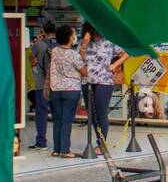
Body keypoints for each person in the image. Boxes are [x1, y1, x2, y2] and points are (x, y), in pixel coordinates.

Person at [79, 23, 126, 146]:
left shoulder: (109, 41)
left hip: (104, 81)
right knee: (92, 114)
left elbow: (126, 53)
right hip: (87, 81)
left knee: (101, 112)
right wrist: (83, 45)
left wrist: (114, 65)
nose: (96, 35)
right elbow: (79, 60)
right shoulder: (84, 42)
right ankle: (99, 140)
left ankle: (102, 143)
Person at [48, 24, 87, 158]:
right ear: (70, 38)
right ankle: (65, 150)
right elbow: (84, 71)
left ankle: (57, 149)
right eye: (73, 34)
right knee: (67, 120)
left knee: (57, 120)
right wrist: (83, 49)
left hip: (56, 89)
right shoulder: (73, 55)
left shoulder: (54, 51)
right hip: (71, 90)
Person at [28, 20, 56, 149]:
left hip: (41, 83)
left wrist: (35, 41)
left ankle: (41, 141)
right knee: (58, 114)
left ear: (43, 31)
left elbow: (31, 58)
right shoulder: (59, 44)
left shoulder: (38, 44)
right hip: (57, 84)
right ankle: (60, 142)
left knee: (41, 113)